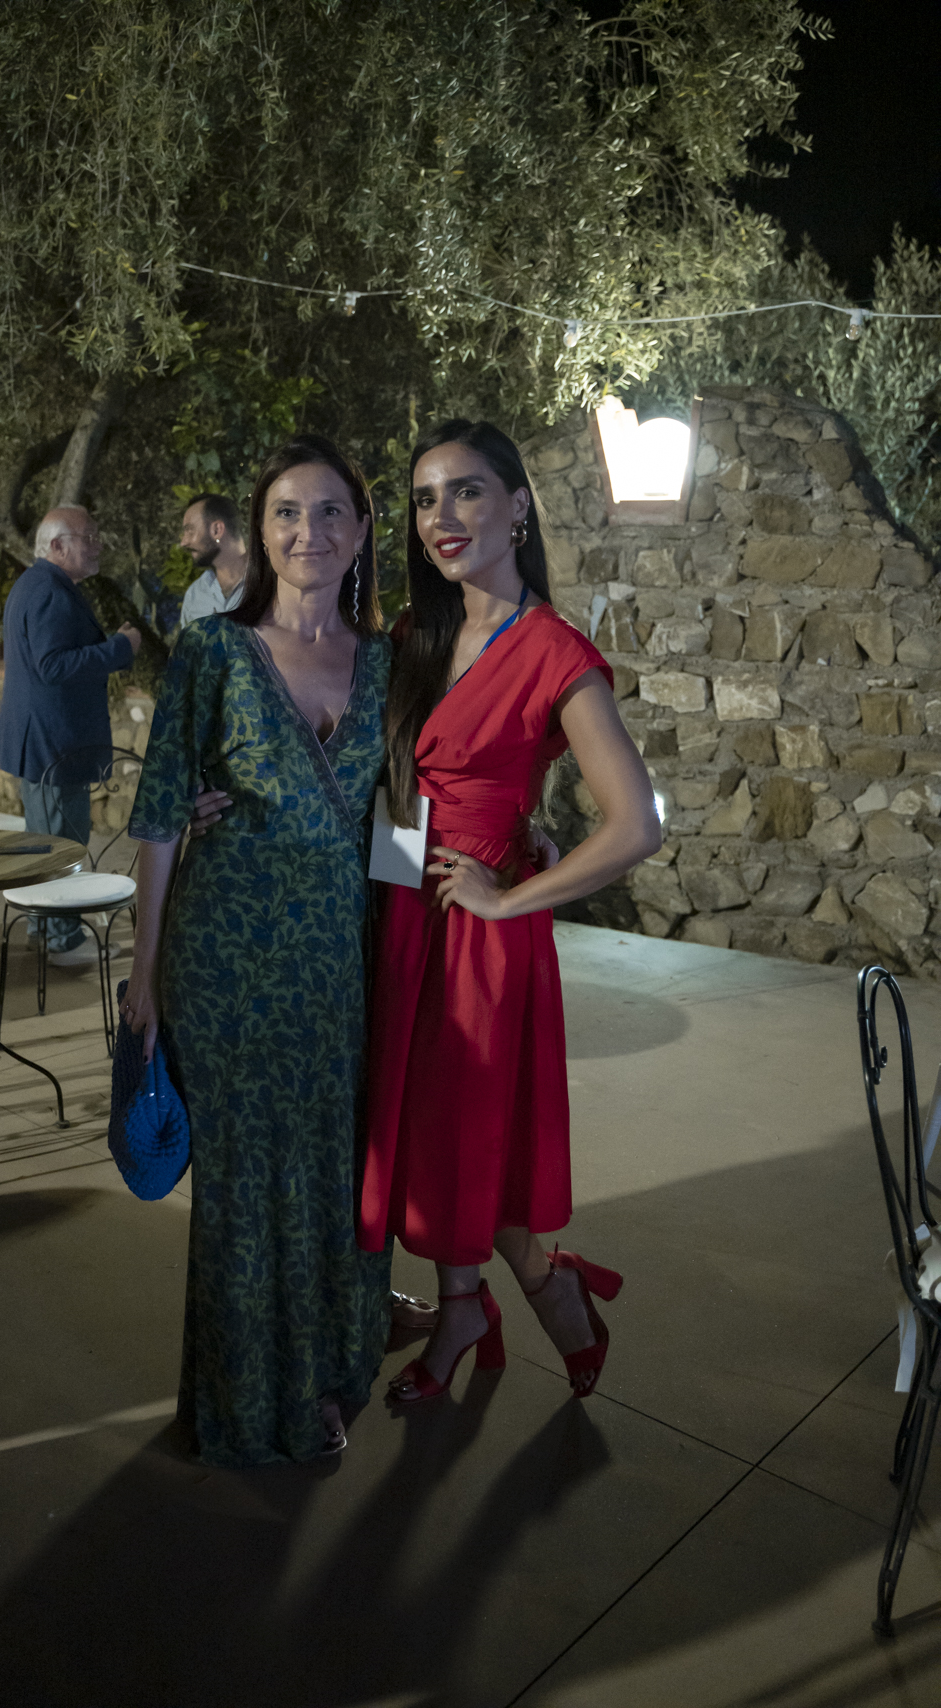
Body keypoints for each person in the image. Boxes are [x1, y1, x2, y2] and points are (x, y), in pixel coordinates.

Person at [357, 420, 662, 1403]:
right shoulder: (415, 633)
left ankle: (532, 1288)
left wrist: (508, 897)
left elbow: (636, 824)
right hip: (403, 910)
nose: (440, 515)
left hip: (479, 933)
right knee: (424, 1133)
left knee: (468, 1129)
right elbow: (386, 778)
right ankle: (469, 1306)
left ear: (517, 506)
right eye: (424, 498)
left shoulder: (552, 651)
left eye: (466, 491)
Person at [122, 436, 395, 1466]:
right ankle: (242, 1401)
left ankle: (324, 1377)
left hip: (336, 961)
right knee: (241, 1189)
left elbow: (407, 815)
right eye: (286, 511)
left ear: (360, 532)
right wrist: (143, 973)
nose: (306, 532)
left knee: (331, 1173)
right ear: (258, 527)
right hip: (223, 957)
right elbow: (158, 815)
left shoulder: (388, 664)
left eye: (328, 512)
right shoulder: (211, 652)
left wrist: (511, 847)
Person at [0, 505, 142, 966]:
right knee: (62, 845)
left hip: (43, 742)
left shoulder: (37, 584)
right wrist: (120, 648)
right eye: (88, 537)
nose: (98, 545)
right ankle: (63, 941)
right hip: (55, 745)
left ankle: (44, 930)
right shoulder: (49, 590)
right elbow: (52, 666)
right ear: (57, 545)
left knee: (43, 843)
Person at [178, 493, 247, 627]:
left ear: (217, 530)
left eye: (190, 531)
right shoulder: (195, 595)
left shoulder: (272, 582)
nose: (183, 543)